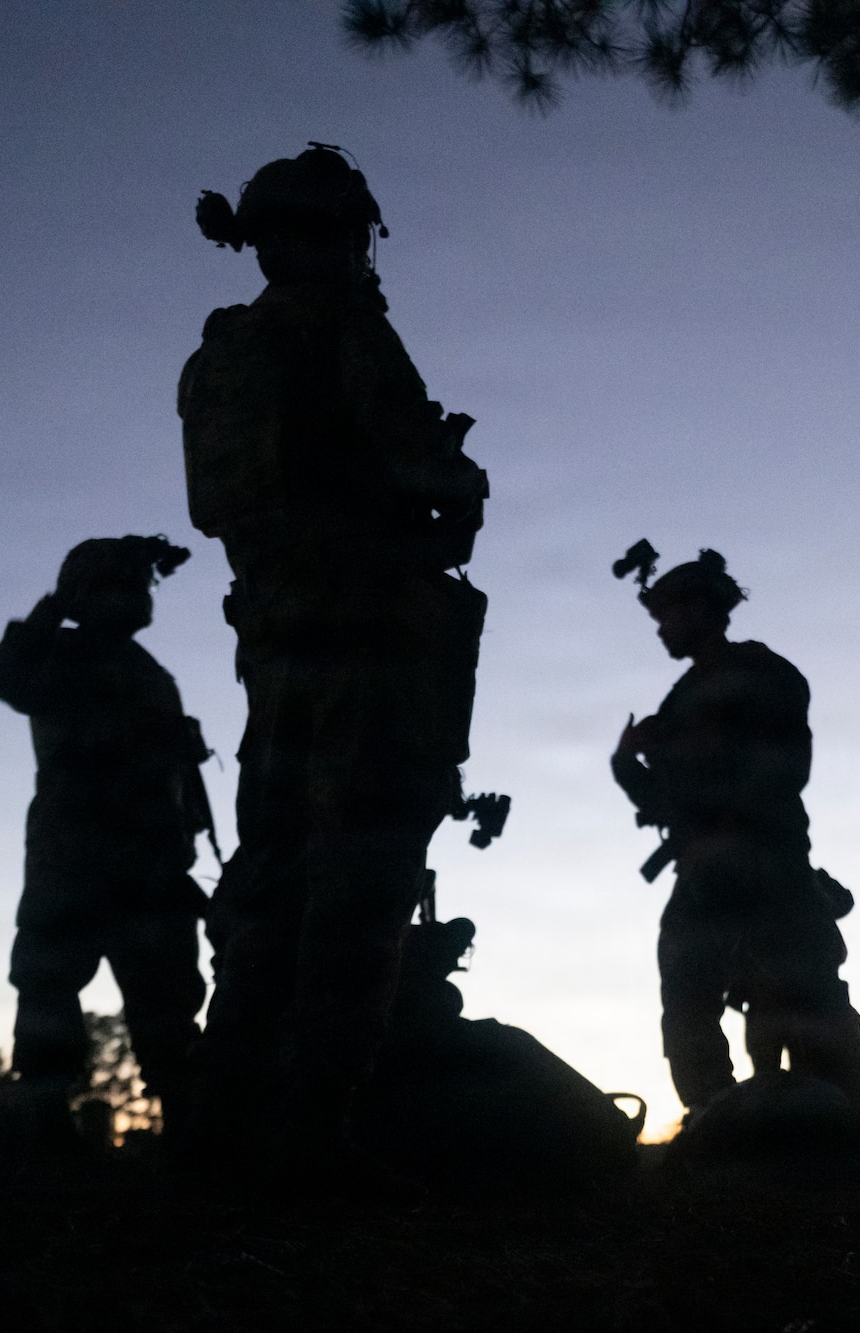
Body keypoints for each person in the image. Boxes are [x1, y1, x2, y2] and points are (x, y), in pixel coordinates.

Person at [179, 144, 489, 1183]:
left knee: (269, 873)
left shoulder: (220, 351)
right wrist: (456, 479)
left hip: (273, 640)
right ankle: (321, 1133)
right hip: (369, 634)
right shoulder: (346, 328)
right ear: (338, 233)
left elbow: (226, 499)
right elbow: (421, 468)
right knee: (359, 873)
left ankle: (229, 1122)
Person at [611, 547, 860, 1113]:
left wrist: (725, 819)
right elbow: (668, 800)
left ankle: (825, 1117)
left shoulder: (761, 673)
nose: (661, 629)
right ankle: (718, 1120)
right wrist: (628, 768)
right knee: (687, 997)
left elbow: (783, 769)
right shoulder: (681, 698)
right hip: (707, 866)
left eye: (668, 615)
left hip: (763, 859)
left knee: (800, 998)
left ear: (704, 609)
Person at [0, 535, 214, 1152]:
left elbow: (174, 781)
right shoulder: (60, 652)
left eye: (140, 585)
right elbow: (6, 678)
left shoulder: (151, 674)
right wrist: (54, 606)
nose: (139, 597)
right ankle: (44, 1128)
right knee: (50, 986)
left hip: (153, 866)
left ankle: (187, 1127)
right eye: (124, 583)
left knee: (167, 1000)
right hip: (77, 859)